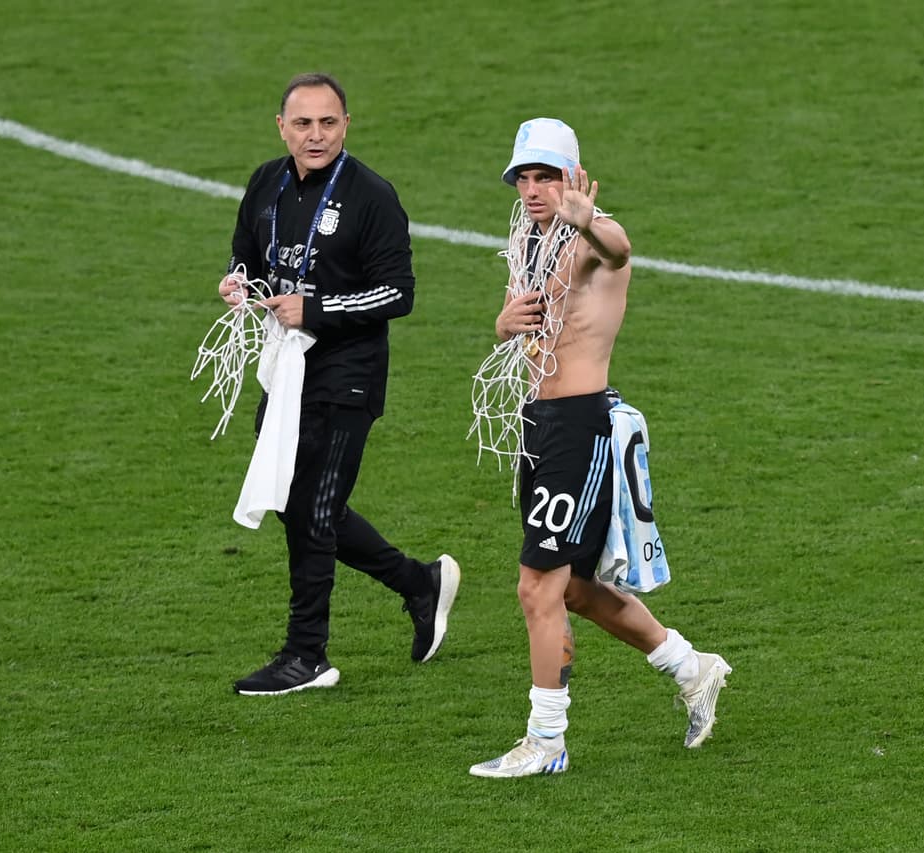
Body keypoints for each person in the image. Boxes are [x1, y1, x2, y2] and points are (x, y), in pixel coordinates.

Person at [468, 118, 731, 777]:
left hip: (580, 428)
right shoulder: (528, 236)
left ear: (572, 177)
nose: (532, 189)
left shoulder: (585, 236)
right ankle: (691, 667)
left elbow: (616, 248)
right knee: (575, 591)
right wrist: (503, 324)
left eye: (545, 176)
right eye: (523, 177)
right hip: (542, 425)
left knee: (537, 588)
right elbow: (519, 320)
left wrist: (586, 219)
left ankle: (547, 740)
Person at [217, 72, 459, 696]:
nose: (315, 135)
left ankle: (307, 655)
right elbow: (247, 252)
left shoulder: (372, 194)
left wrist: (316, 308)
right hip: (286, 367)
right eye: (303, 123)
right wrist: (238, 283)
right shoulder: (265, 183)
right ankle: (417, 583)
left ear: (346, 124)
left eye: (327, 122)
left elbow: (398, 292)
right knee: (299, 504)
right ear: (282, 127)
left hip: (347, 376)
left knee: (314, 509)